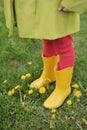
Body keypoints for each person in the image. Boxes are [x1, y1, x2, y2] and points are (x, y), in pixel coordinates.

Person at [4, 0, 87, 109]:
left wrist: (71, 2)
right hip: (44, 4)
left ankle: (63, 88)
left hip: (58, 3)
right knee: (46, 33)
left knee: (62, 40)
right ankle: (49, 75)